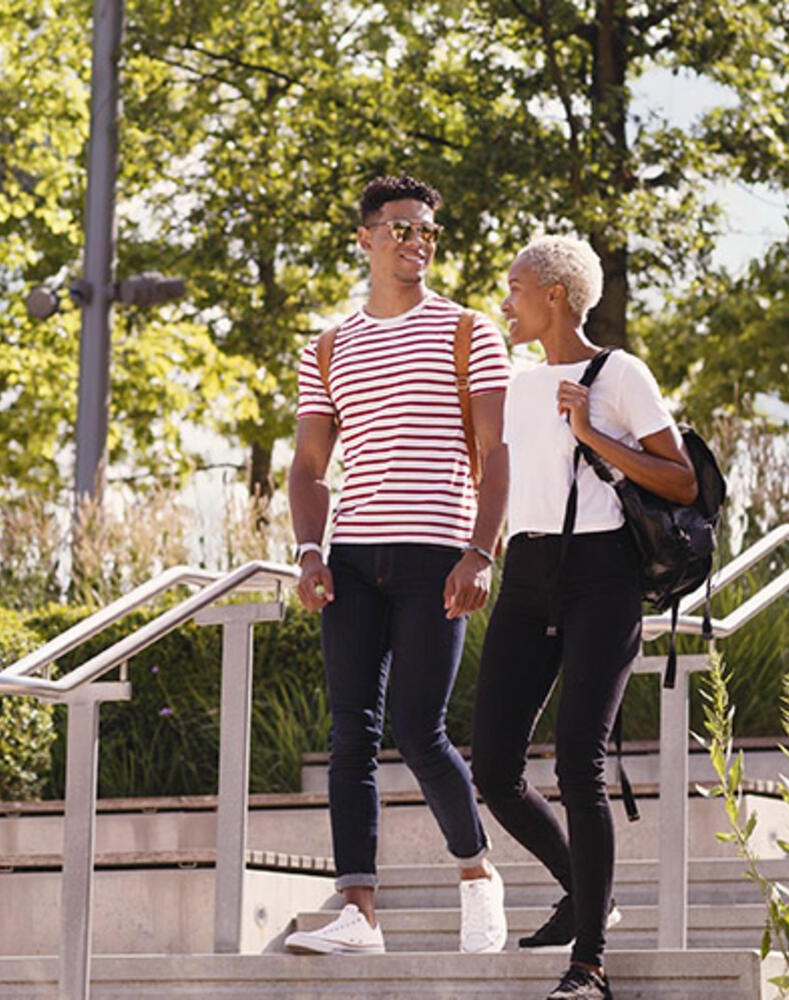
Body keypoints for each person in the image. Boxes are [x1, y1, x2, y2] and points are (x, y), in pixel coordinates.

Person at [281, 175, 510, 956]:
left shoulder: (468, 331)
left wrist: (481, 551)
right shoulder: (329, 346)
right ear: (367, 238)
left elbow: (496, 450)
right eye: (402, 229)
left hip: (436, 551)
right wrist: (310, 551)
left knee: (418, 729)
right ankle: (359, 913)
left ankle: (477, 875)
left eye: (427, 232)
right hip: (353, 557)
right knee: (351, 733)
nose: (417, 243)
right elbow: (309, 466)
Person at [472, 235, 696, 1000]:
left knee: (578, 764)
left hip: (603, 576)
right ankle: (582, 886)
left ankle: (590, 963)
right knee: (494, 767)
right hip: (527, 576)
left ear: (556, 294)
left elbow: (682, 481)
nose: (506, 302)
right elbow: (499, 472)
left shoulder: (620, 372)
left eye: (515, 288)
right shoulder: (517, 381)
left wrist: (595, 435)